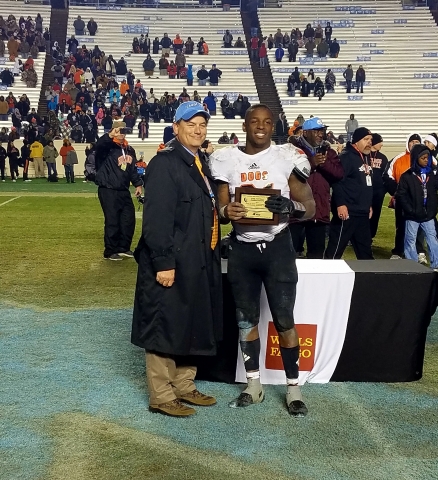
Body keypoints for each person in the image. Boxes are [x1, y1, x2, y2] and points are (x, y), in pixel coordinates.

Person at [209, 104, 315, 416]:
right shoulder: (225, 159)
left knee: (285, 320)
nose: (260, 126)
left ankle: (293, 387)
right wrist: (227, 211)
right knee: (246, 320)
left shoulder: (287, 157)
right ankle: (253, 385)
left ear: (273, 127)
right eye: (254, 121)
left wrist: (292, 207)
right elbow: (221, 209)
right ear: (244, 126)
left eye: (267, 122)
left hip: (277, 247)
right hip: (242, 249)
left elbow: (310, 206)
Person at [131, 101, 222, 417]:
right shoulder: (164, 163)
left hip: (198, 258)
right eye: (190, 124)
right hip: (173, 261)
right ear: (176, 127)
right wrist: (163, 263)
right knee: (164, 324)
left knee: (190, 321)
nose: (197, 130)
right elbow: (156, 220)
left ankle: (183, 384)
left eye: (202, 125)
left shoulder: (201, 162)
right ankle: (161, 395)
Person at [289, 117, 343, 258]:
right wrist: (311, 163)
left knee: (316, 256)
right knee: (288, 255)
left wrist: (324, 164)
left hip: (318, 210)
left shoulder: (329, 151)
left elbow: (338, 174)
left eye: (322, 131)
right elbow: (286, 173)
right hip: (295, 210)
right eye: (316, 131)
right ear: (305, 133)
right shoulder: (292, 151)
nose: (320, 134)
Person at [94, 120, 143, 261]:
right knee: (113, 220)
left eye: (124, 130)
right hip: (108, 189)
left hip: (123, 189)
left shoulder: (129, 149)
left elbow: (132, 169)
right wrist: (110, 135)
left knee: (128, 219)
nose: (122, 133)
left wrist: (138, 184)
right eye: (119, 130)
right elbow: (99, 145)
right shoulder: (106, 148)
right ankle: (110, 251)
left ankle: (123, 247)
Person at [325, 128, 374, 260]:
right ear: (356, 141)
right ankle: (326, 273)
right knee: (334, 252)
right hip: (348, 212)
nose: (369, 142)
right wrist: (340, 204)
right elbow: (337, 182)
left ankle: (368, 274)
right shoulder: (346, 157)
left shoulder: (365, 157)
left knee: (366, 254)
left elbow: (365, 183)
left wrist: (368, 204)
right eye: (366, 139)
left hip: (362, 213)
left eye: (370, 140)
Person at [384, 133, 427, 262]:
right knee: (401, 226)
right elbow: (387, 176)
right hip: (402, 200)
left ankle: (420, 252)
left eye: (416, 142)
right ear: (408, 143)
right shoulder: (398, 158)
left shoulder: (427, 158)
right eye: (412, 141)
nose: (414, 144)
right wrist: (396, 192)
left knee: (420, 227)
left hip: (420, 200)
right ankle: (398, 251)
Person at [396, 144, 438, 270]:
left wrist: (433, 209)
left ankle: (436, 264)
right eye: (423, 158)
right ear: (415, 159)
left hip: (428, 215)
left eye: (427, 158)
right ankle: (412, 266)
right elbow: (401, 195)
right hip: (412, 216)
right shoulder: (407, 176)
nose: (426, 160)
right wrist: (410, 210)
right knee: (410, 240)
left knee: (433, 240)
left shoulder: (432, 175)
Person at [369, 134, 389, 238]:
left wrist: (382, 190)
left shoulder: (383, 158)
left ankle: (371, 235)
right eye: (379, 142)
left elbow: (386, 176)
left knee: (375, 215)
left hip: (378, 193)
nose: (382, 144)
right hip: (364, 192)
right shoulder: (364, 155)